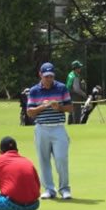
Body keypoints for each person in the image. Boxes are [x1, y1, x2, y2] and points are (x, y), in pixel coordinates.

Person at [27, 62, 74, 199]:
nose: (49, 79)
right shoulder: (34, 90)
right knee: (44, 160)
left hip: (58, 127)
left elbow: (70, 108)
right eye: (46, 76)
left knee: (61, 159)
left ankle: (64, 189)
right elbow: (30, 112)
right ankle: (49, 189)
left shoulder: (61, 88)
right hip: (41, 128)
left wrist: (58, 107)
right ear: (40, 75)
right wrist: (43, 106)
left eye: (51, 76)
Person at [66, 60, 87, 124]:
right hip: (75, 97)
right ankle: (76, 126)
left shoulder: (70, 74)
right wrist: (84, 94)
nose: (80, 68)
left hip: (69, 96)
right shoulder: (75, 77)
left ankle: (70, 126)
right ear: (76, 68)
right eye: (79, 67)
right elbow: (77, 89)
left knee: (71, 113)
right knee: (77, 113)